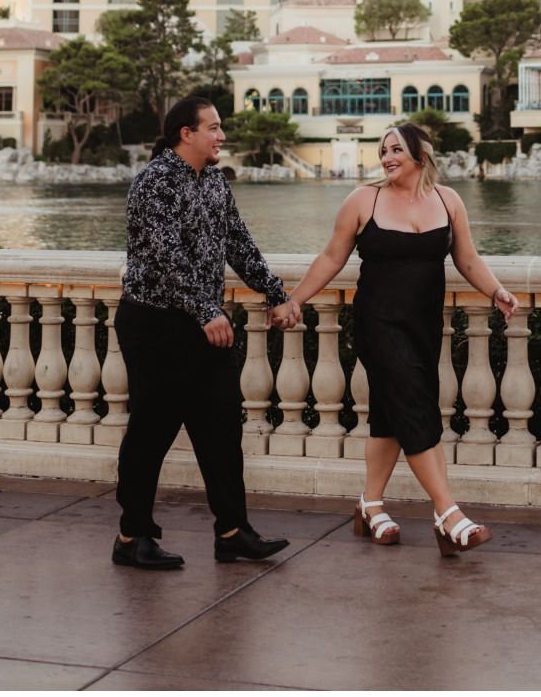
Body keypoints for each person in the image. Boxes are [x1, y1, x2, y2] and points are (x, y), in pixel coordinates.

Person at [284, 122, 518, 555]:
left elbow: (467, 257)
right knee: (413, 403)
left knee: (391, 416)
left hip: (423, 325)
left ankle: (370, 506)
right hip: (378, 323)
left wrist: (496, 290)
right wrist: (293, 300)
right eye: (383, 151)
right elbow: (332, 256)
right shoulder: (363, 200)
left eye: (395, 149)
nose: (386, 157)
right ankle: (448, 514)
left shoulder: (449, 201)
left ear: (420, 154)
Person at [113, 95, 298, 571]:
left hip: (203, 326)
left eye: (221, 127)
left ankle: (233, 532)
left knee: (221, 430)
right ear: (185, 134)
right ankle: (132, 536)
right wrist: (204, 310)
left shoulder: (214, 180)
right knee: (151, 432)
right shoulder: (155, 182)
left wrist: (275, 293)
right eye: (213, 128)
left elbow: (237, 240)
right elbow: (164, 257)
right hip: (154, 325)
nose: (221, 135)